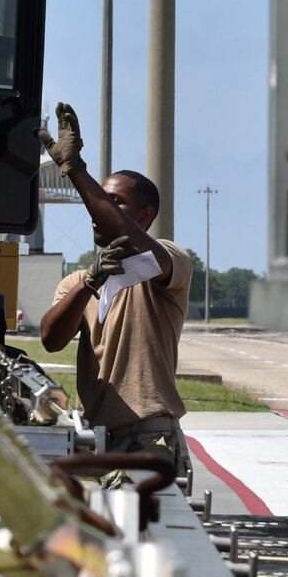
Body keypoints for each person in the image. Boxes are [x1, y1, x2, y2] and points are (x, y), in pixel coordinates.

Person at [36, 103, 192, 487]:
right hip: (92, 445)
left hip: (147, 441)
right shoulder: (79, 281)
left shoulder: (169, 261)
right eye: (100, 201)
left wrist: (76, 171)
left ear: (145, 216)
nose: (96, 211)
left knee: (135, 542)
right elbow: (51, 339)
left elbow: (140, 250)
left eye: (114, 203)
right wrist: (88, 283)